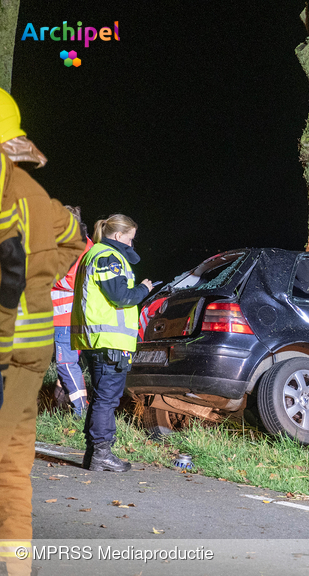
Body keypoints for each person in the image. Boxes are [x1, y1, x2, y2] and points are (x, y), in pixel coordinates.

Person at [0, 88, 86, 576]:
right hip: (28, 346)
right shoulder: (33, 195)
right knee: (12, 468)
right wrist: (42, 274)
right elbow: (75, 238)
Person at [71, 214, 153, 472]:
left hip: (96, 339)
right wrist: (144, 289)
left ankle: (93, 455)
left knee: (100, 399)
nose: (132, 243)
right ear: (118, 236)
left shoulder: (93, 254)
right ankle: (102, 454)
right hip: (110, 342)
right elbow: (121, 296)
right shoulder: (109, 257)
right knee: (107, 400)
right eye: (130, 238)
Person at [51, 206, 93, 417]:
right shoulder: (83, 243)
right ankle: (61, 408)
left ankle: (80, 413)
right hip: (71, 316)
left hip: (67, 317)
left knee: (66, 364)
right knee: (68, 365)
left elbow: (70, 279)